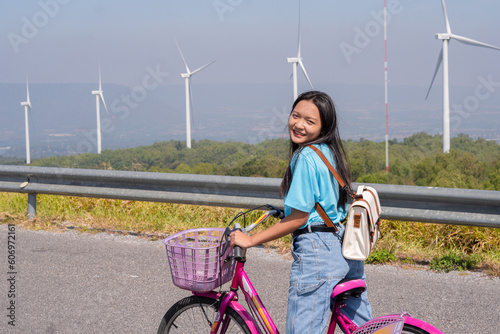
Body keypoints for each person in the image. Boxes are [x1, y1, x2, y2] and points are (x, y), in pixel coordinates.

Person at [229, 91, 372, 333]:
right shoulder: (329, 151)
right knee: (365, 329)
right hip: (345, 247)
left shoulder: (306, 156)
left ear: (324, 126)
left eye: (309, 121)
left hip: (318, 253)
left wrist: (250, 239)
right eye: (296, 116)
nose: (299, 125)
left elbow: (300, 217)